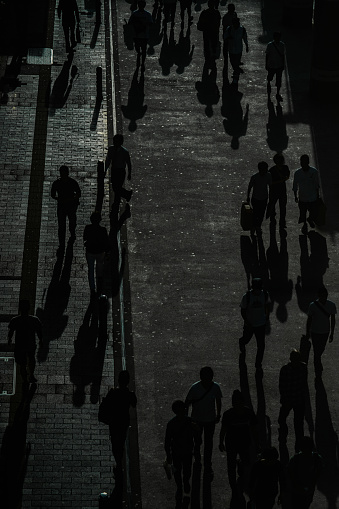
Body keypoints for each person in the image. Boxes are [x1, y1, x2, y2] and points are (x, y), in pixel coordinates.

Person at [219, 390, 257, 500]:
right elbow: (223, 430)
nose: (237, 405)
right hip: (235, 443)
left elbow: (254, 429)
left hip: (242, 442)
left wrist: (221, 441)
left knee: (242, 462)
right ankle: (234, 480)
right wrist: (221, 442)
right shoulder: (246, 413)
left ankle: (237, 477)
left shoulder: (231, 414)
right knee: (233, 464)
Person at [185, 366, 222, 477]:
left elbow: (187, 403)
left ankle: (199, 459)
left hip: (199, 419)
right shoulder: (215, 387)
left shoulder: (195, 388)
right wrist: (218, 414)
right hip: (205, 420)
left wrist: (187, 418)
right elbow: (218, 401)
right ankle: (206, 464)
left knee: (200, 441)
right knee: (206, 442)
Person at [104, 370, 137, 477]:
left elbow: (105, 404)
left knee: (114, 441)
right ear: (128, 381)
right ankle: (119, 461)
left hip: (114, 420)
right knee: (121, 441)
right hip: (124, 421)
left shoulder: (113, 392)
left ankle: (118, 462)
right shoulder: (129, 394)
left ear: (118, 380)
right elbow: (134, 404)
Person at [165, 400, 195, 506]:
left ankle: (180, 487)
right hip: (187, 451)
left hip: (176, 452)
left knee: (177, 471)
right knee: (187, 470)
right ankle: (185, 483)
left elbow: (167, 441)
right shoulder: (190, 421)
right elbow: (196, 436)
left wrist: (168, 454)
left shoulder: (171, 424)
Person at [278, 350, 308, 451]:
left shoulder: (285, 369)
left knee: (283, 419)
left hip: (289, 399)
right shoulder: (303, 367)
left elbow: (282, 386)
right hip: (297, 399)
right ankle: (299, 446)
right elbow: (304, 384)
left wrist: (284, 398)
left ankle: (283, 434)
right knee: (298, 424)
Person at [8, 299, 43, 384]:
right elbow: (39, 332)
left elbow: (11, 331)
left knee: (22, 363)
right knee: (31, 359)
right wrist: (41, 340)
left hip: (20, 345)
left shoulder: (15, 320)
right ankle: (31, 375)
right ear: (29, 308)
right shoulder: (34, 320)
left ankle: (24, 379)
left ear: (20, 308)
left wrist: (9, 340)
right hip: (30, 343)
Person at [305, 286, 336, 376]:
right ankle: (317, 366)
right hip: (315, 331)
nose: (323, 297)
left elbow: (333, 320)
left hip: (325, 331)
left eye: (325, 295)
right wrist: (308, 331)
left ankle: (317, 362)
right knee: (317, 350)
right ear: (319, 295)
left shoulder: (330, 305)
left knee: (320, 349)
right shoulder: (313, 305)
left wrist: (332, 333)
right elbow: (309, 319)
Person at [239, 278, 269, 370]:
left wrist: (266, 318)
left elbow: (266, 306)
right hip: (250, 324)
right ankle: (242, 342)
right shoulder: (247, 296)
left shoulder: (264, 294)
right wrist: (247, 322)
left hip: (261, 324)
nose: (257, 291)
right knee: (246, 339)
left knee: (261, 345)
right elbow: (243, 310)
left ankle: (258, 363)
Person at [288, 436, 323, 509]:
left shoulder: (295, 459)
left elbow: (289, 474)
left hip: (296, 490)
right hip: (309, 489)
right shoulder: (317, 458)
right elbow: (319, 471)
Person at [51, 165, 81, 246]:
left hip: (62, 205)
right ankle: (72, 233)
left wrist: (59, 199)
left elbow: (53, 195)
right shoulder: (72, 182)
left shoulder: (56, 183)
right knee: (72, 221)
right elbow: (78, 193)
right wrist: (74, 199)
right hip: (71, 205)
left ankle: (62, 241)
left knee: (62, 224)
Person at [83, 212, 110, 299]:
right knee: (100, 271)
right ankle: (100, 290)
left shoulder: (87, 228)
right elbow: (106, 242)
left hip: (90, 251)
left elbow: (84, 238)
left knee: (90, 270)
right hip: (100, 252)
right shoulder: (103, 230)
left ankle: (92, 289)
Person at [292, 154, 320, 235]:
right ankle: (305, 222)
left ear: (307, 162)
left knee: (313, 212)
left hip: (311, 197)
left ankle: (308, 220)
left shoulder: (313, 172)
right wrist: (295, 196)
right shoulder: (298, 173)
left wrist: (317, 196)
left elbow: (316, 184)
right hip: (303, 197)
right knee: (303, 213)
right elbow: (295, 185)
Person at [105, 134, 133, 208]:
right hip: (114, 170)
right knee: (115, 187)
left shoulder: (124, 152)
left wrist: (129, 173)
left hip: (121, 171)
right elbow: (108, 160)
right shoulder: (111, 149)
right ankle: (126, 194)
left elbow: (128, 163)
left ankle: (116, 203)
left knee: (117, 187)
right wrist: (105, 169)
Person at [247, 161, 272, 235]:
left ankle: (256, 226)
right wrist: (248, 196)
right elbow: (250, 187)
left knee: (260, 214)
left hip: (263, 198)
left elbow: (270, 187)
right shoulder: (255, 177)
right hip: (256, 198)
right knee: (256, 213)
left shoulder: (266, 176)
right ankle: (256, 226)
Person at [267, 153, 290, 229]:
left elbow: (287, 177)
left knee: (280, 207)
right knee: (281, 207)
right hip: (277, 190)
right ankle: (280, 222)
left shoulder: (272, 170)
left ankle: (280, 221)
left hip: (277, 191)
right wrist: (281, 181)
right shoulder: (274, 170)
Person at [128, 0, 153, 68]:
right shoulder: (135, 14)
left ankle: (142, 62)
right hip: (137, 34)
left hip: (143, 35)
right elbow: (130, 22)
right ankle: (139, 54)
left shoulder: (147, 14)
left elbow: (150, 23)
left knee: (144, 49)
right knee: (138, 48)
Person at [197, 0, 221, 68]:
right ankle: (213, 56)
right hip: (214, 31)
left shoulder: (204, 12)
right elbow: (218, 22)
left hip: (206, 31)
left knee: (206, 44)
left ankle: (207, 57)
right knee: (214, 43)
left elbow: (201, 21)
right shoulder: (216, 12)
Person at [224, 17, 248, 82]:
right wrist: (229, 38)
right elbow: (225, 37)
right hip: (231, 49)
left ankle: (236, 73)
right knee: (232, 62)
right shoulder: (229, 29)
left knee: (236, 62)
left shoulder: (242, 29)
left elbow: (245, 38)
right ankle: (236, 71)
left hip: (239, 49)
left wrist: (247, 45)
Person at [266, 32, 286, 102]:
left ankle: (277, 92)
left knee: (278, 80)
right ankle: (276, 91)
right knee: (271, 78)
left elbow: (283, 56)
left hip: (278, 65)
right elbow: (267, 55)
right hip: (272, 65)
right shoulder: (270, 45)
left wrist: (283, 65)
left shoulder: (281, 45)